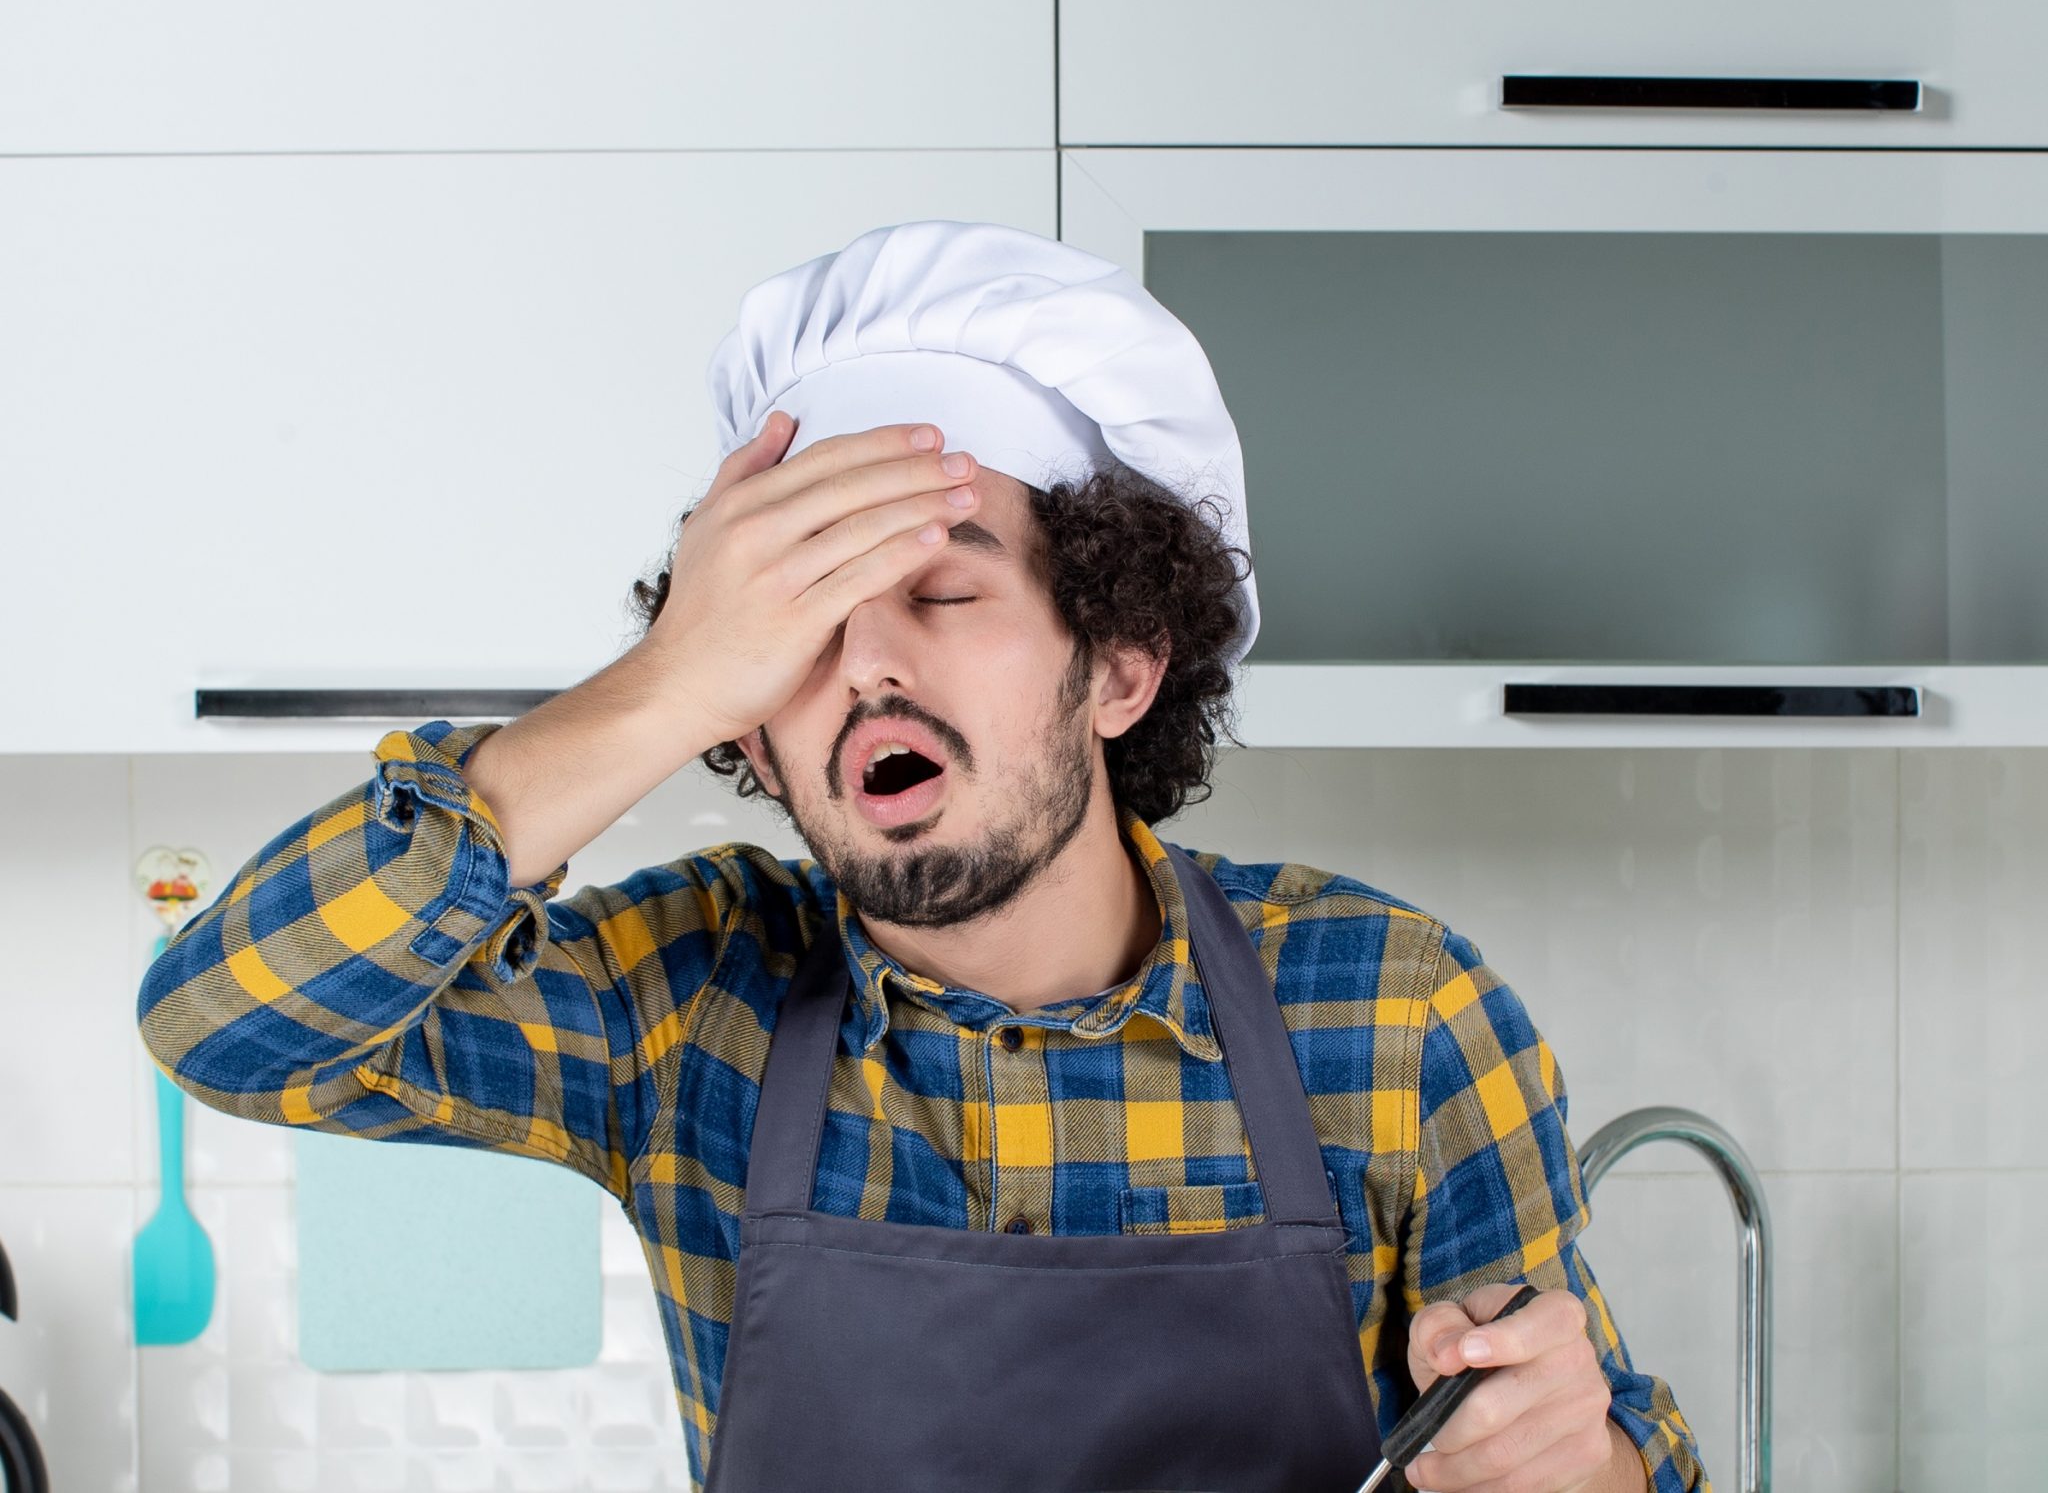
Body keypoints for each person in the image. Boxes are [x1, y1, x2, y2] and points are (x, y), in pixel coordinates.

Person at [138, 220, 1708, 1493]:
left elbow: (1584, 1446)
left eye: (942, 594)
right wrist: (666, 683)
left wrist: (1587, 1465)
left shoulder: (1397, 1016)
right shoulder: (690, 1008)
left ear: (1118, 665)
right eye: (796, 632)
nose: (867, 665)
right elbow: (223, 1020)